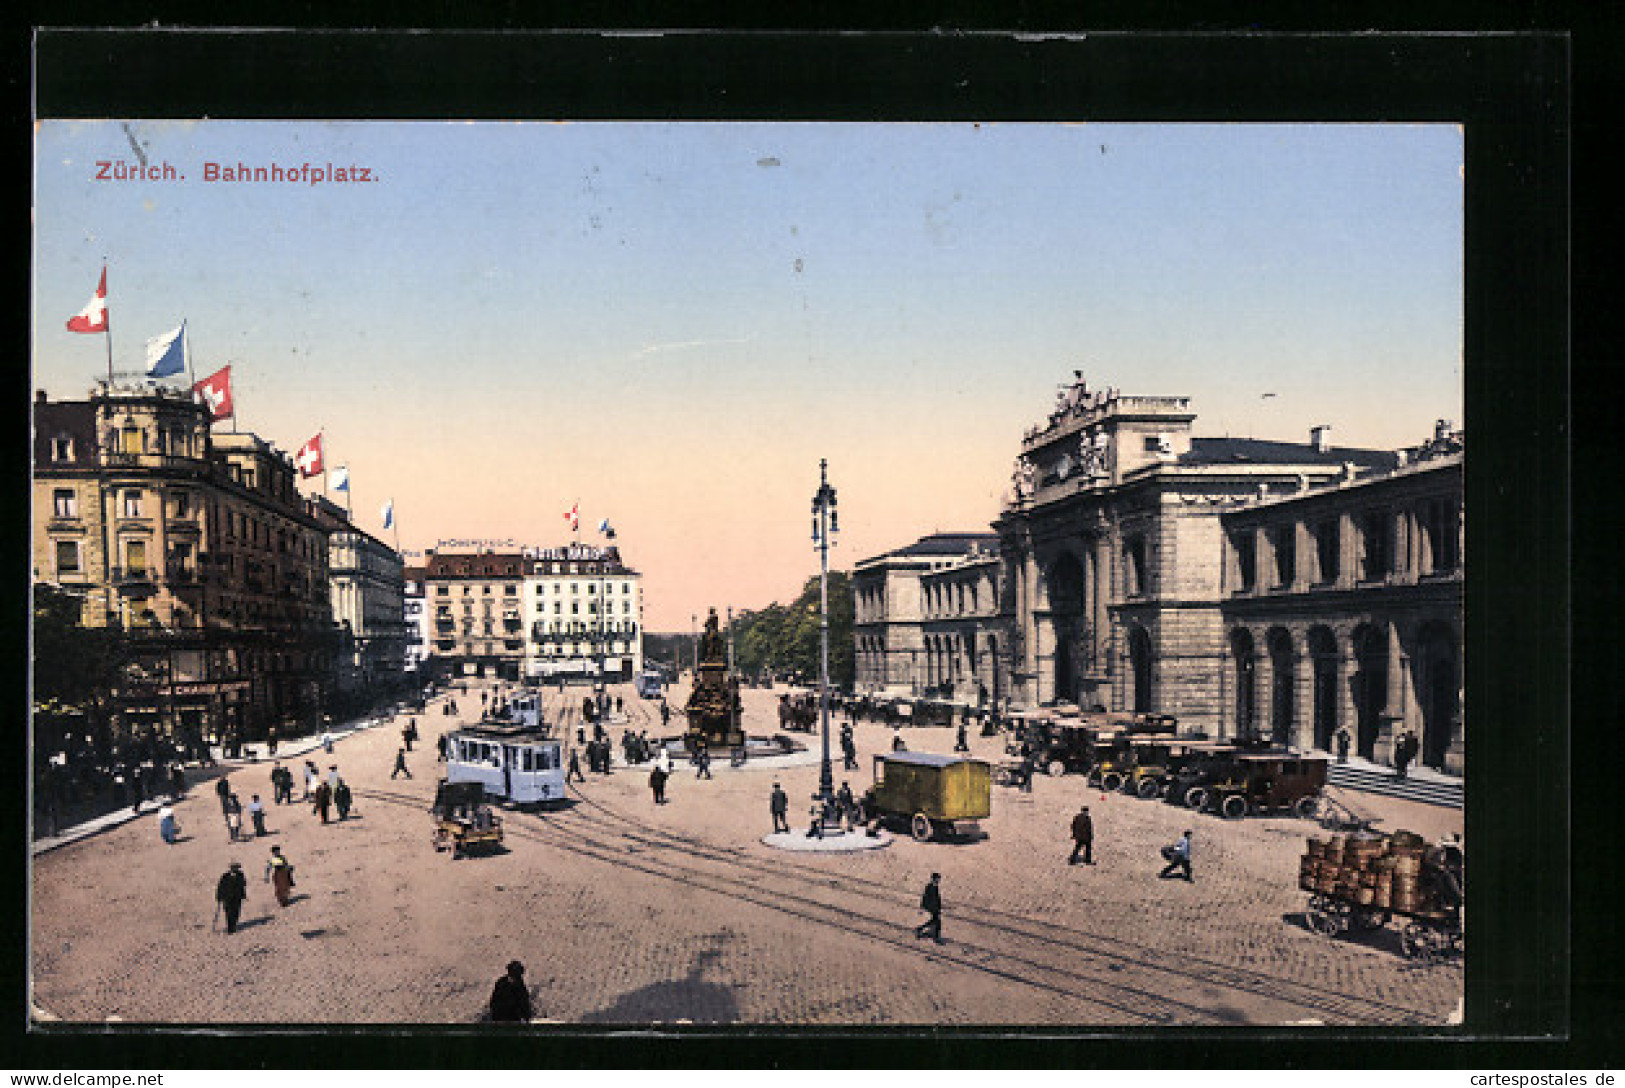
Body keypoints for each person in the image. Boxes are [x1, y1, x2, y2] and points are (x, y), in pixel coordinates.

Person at [215, 862, 248, 934]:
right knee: (228, 912)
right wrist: (219, 896)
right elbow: (220, 886)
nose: (235, 869)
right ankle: (230, 927)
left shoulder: (240, 875)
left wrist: (243, 895)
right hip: (227, 897)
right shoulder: (225, 876)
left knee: (236, 912)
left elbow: (243, 885)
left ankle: (233, 925)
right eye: (233, 868)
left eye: (236, 868)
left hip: (237, 897)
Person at [915, 873, 943, 943]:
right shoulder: (929, 887)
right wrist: (922, 907)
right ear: (933, 879)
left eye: (938, 879)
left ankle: (920, 929)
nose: (938, 881)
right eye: (937, 879)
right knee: (936, 922)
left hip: (934, 907)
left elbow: (937, 898)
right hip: (931, 907)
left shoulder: (935, 887)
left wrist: (939, 907)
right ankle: (935, 937)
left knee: (935, 921)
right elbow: (925, 897)